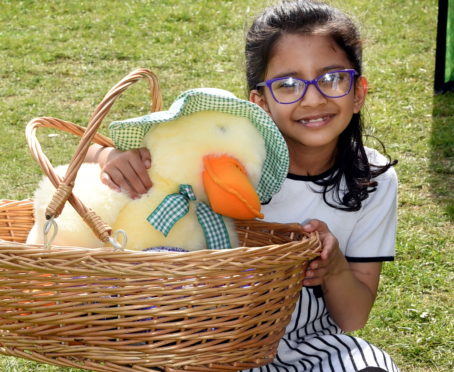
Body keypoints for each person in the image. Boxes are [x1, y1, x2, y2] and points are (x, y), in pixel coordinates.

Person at [86, 1, 399, 371]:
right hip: (207, 338)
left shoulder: (373, 178)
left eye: (332, 78)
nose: (313, 98)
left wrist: (335, 270)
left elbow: (353, 319)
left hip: (310, 343)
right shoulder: (230, 159)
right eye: (288, 84)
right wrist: (112, 159)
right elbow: (94, 153)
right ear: (260, 103)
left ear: (358, 91)